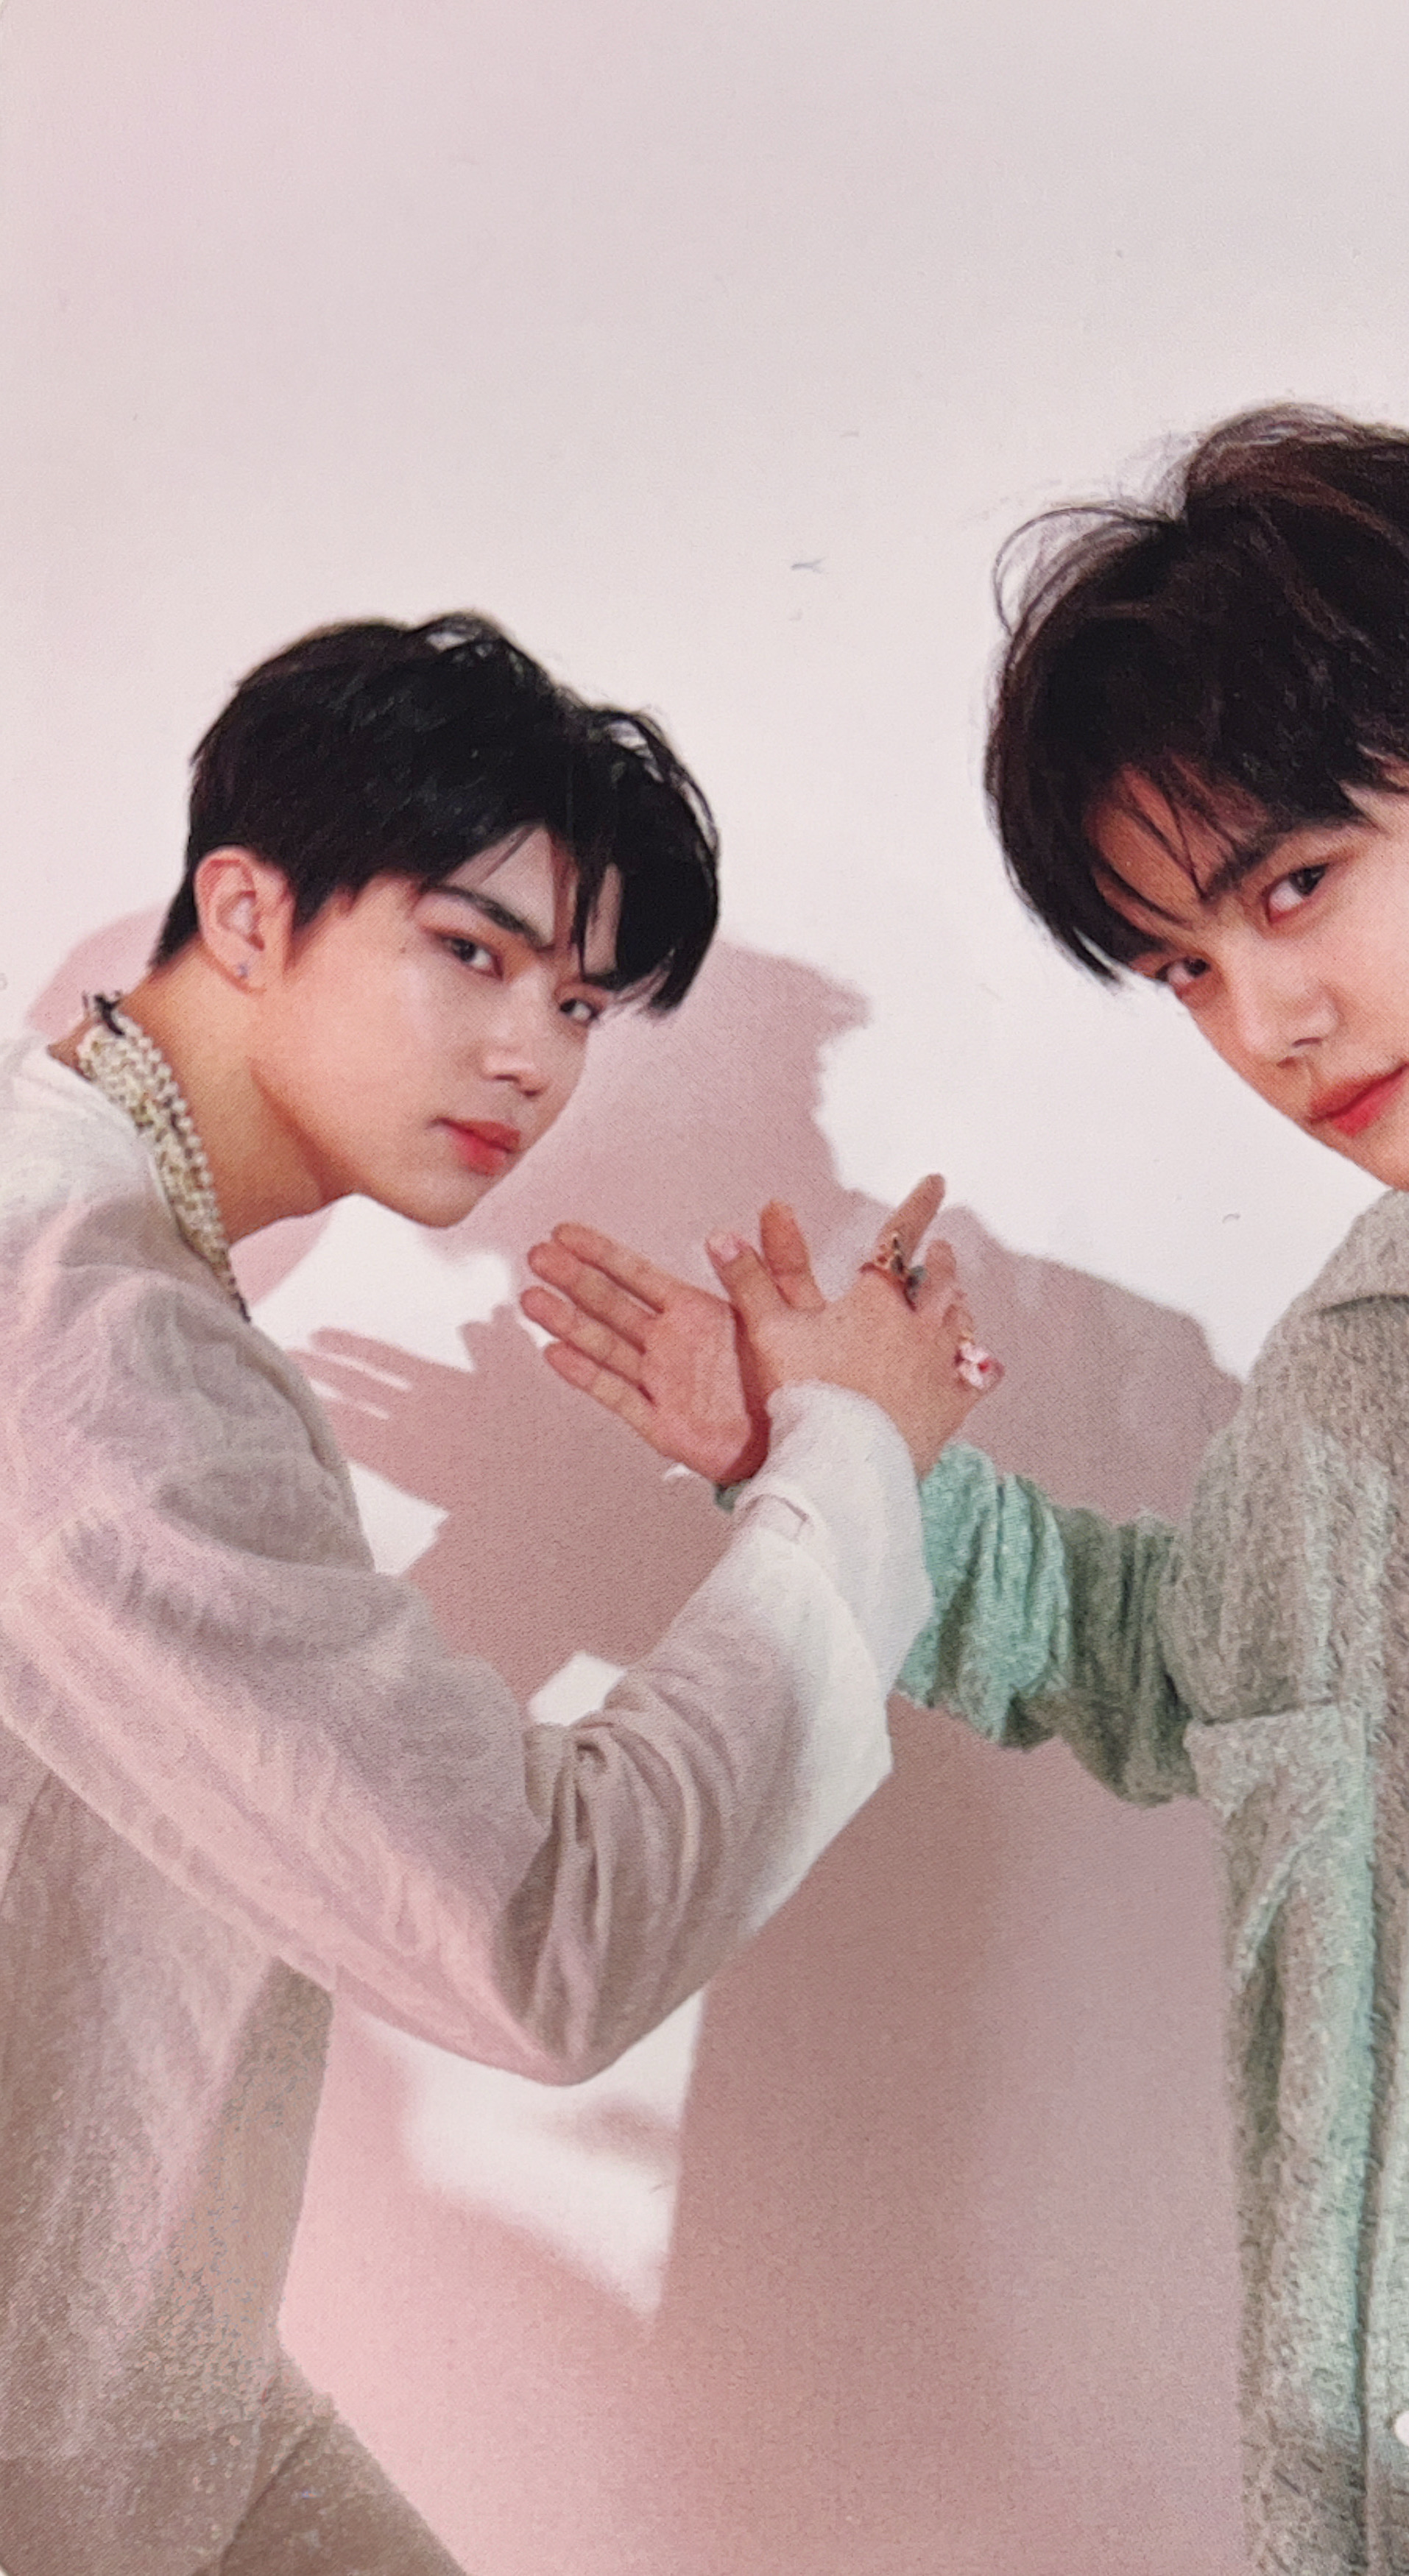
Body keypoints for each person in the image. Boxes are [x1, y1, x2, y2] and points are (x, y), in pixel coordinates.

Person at [525, 410, 1409, 2574]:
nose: (1265, 1021)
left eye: (1295, 883)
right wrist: (836, 1467)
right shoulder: (1374, 1379)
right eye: (1183, 965)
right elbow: (1177, 1666)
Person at [0, 609, 993, 2576]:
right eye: (472, 951)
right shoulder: (96, 1329)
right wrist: (846, 1456)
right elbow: (540, 1926)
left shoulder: (102, 1263)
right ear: (249, 911)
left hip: (139, 2393)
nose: (536, 1057)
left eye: (585, 1001)